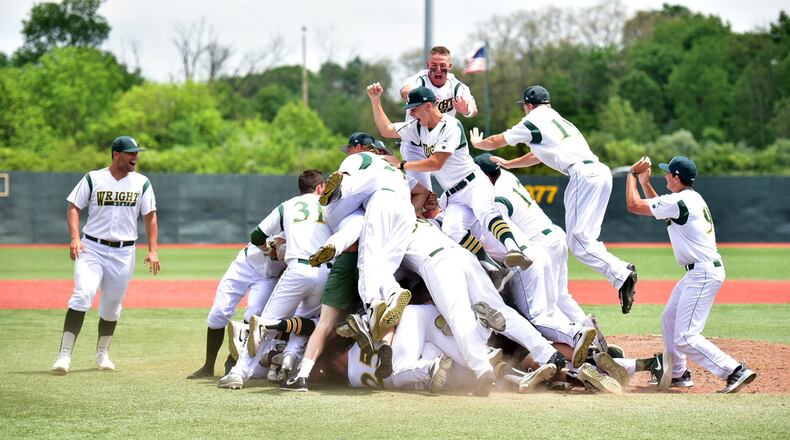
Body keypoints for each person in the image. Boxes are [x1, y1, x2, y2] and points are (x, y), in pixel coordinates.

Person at [470, 85, 637, 314]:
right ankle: (620, 274)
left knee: (578, 243)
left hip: (582, 176)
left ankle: (621, 274)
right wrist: (509, 164)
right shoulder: (557, 121)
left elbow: (499, 140)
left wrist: (480, 144)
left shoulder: (533, 120)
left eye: (524, 108)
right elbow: (535, 156)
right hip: (600, 172)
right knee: (586, 239)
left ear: (529, 106)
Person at [368, 82, 532, 273]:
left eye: (414, 109)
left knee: (485, 212)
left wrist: (401, 164)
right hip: (453, 195)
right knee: (452, 231)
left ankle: (514, 248)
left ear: (428, 106)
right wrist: (375, 101)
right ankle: (494, 269)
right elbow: (386, 129)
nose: (411, 114)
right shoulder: (418, 127)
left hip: (472, 183)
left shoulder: (451, 125)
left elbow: (436, 162)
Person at [626, 155, 756, 393]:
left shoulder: (681, 201)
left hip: (703, 272)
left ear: (676, 177)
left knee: (686, 337)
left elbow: (634, 205)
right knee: (670, 318)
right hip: (698, 271)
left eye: (668, 172)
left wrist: (632, 176)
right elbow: (663, 210)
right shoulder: (688, 198)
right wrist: (646, 183)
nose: (665, 175)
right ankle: (678, 373)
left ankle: (735, 370)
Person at [51, 135, 160, 374]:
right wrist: (75, 238)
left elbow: (150, 216)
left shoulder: (142, 182)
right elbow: (73, 206)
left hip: (124, 252)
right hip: (92, 248)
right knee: (82, 295)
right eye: (130, 152)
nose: (135, 157)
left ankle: (102, 354)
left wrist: (153, 250)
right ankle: (64, 356)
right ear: (116, 154)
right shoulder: (93, 178)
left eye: (136, 153)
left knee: (111, 307)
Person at [186, 240, 285, 379]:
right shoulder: (279, 218)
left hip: (269, 277)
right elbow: (258, 235)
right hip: (245, 265)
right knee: (219, 312)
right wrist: (269, 248)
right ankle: (208, 366)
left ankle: (234, 359)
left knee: (255, 314)